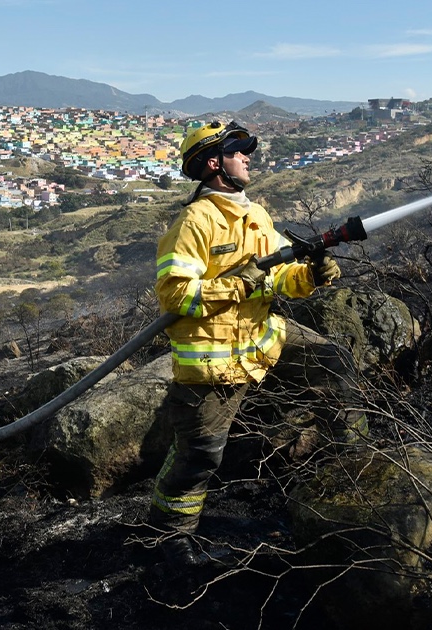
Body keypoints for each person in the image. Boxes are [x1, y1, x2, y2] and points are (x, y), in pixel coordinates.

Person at [149, 121, 367, 567]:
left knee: (332, 363)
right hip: (211, 359)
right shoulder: (194, 222)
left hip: (262, 340)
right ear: (214, 163)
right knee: (200, 456)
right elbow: (175, 295)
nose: (248, 156)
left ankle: (356, 470)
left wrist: (310, 274)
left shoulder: (256, 215)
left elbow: (281, 274)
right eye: (238, 150)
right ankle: (169, 537)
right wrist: (237, 284)